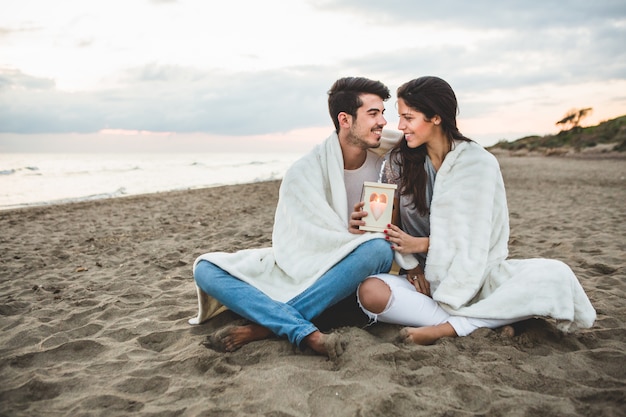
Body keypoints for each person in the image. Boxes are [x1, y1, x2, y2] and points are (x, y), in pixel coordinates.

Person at [355, 76, 596, 345]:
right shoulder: (398, 162)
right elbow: (391, 226)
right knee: (370, 292)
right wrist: (412, 269)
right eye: (400, 117)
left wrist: (421, 244)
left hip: (474, 276)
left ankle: (450, 327)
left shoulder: (478, 163)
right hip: (421, 280)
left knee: (556, 275)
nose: (401, 126)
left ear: (435, 117)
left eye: (408, 118)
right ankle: (492, 320)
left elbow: (476, 242)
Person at [191, 77, 400, 358]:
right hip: (312, 269)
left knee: (378, 249)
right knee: (205, 269)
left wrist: (358, 238)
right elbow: (298, 241)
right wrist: (344, 233)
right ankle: (303, 329)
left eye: (383, 113)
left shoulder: (391, 162)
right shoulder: (304, 172)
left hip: (352, 273)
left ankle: (267, 327)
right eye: (373, 113)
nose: (383, 122)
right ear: (345, 119)